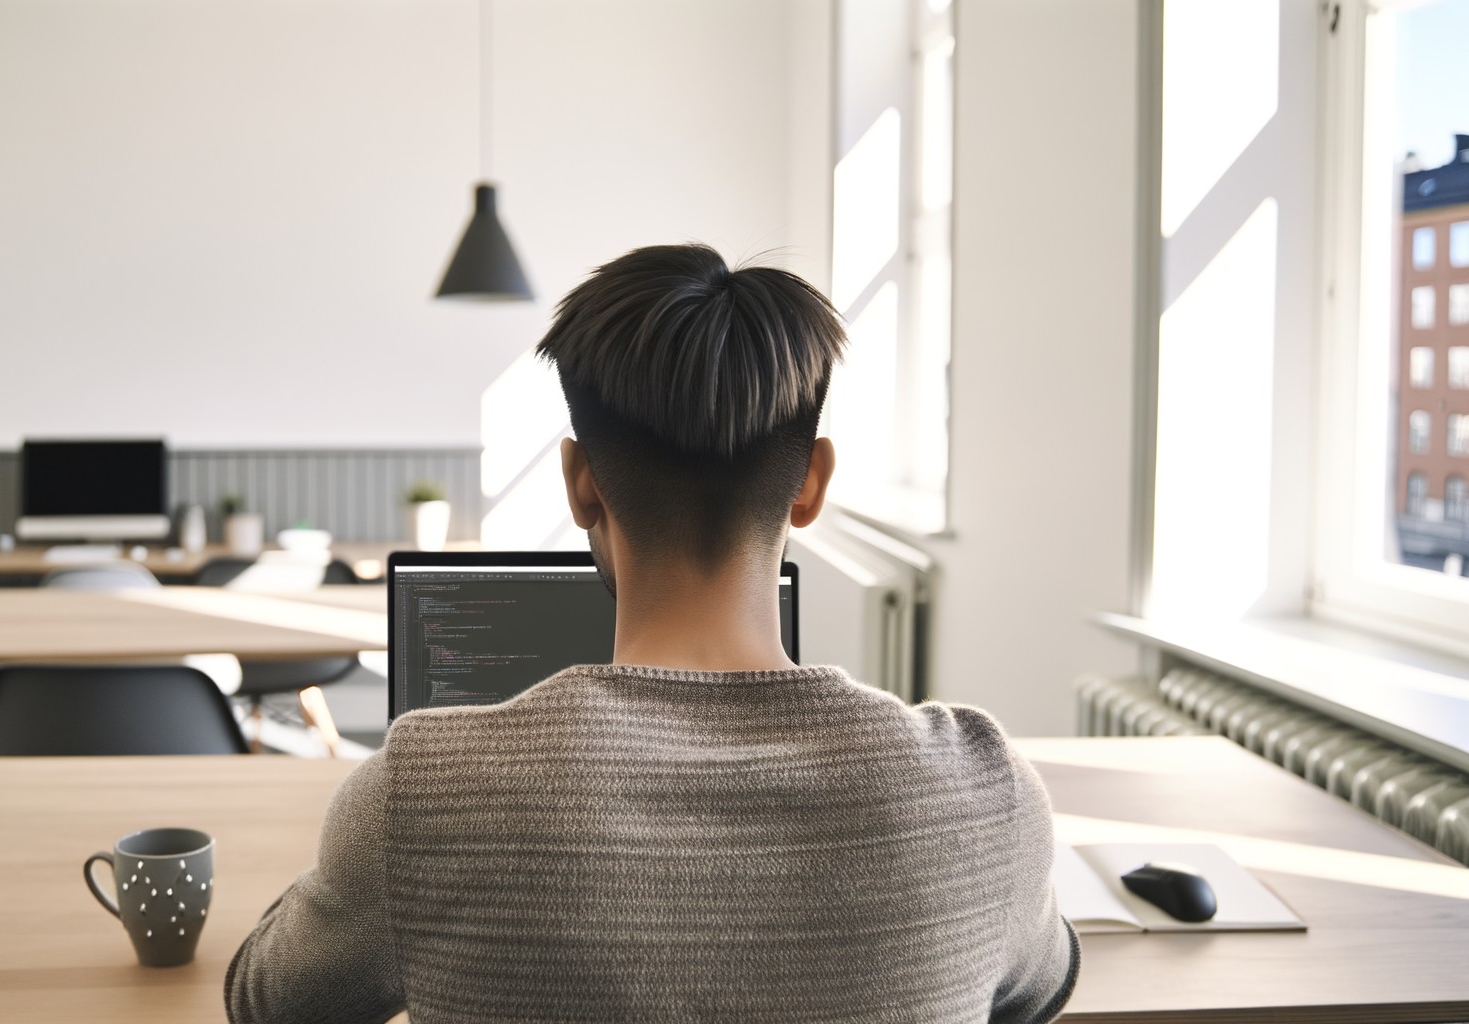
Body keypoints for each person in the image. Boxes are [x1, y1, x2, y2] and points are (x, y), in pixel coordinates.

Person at [226, 244, 1078, 1023]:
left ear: (579, 484)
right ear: (811, 485)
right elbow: (1037, 988)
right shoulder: (986, 793)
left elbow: (270, 1006)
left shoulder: (423, 796)